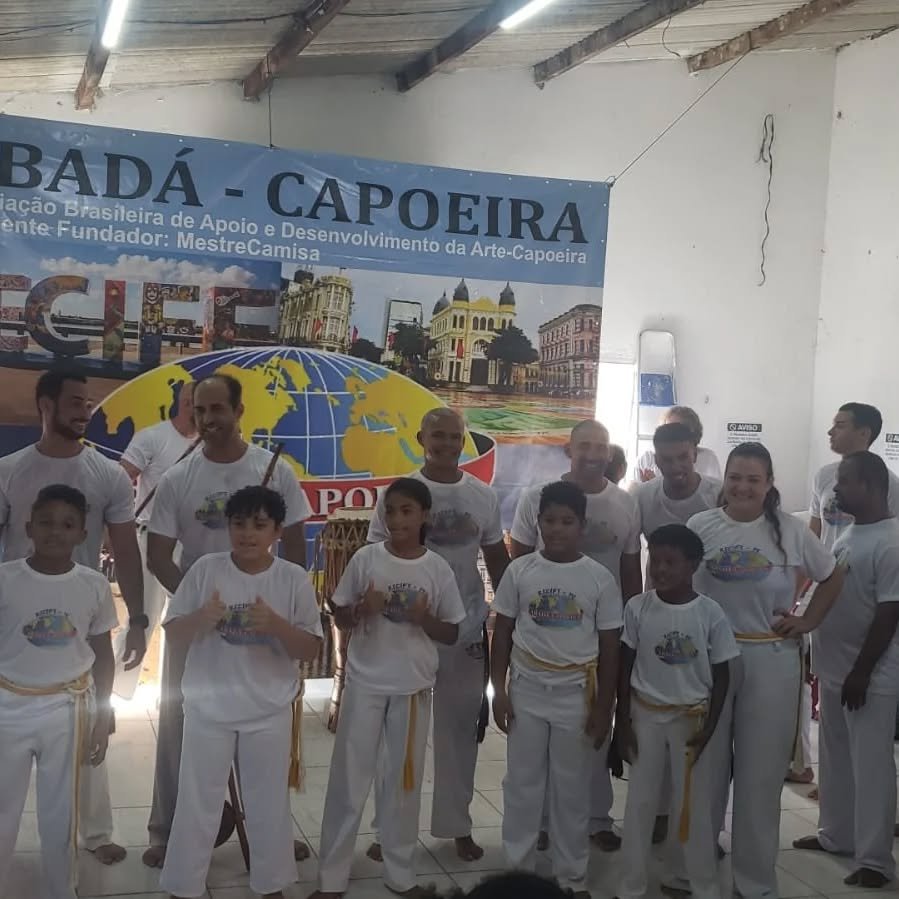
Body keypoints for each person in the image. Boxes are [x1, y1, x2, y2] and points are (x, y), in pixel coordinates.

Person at [143, 373, 313, 868]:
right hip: (200, 624)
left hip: (263, 624)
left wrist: (287, 614)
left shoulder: (272, 470)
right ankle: (168, 831)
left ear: (239, 412)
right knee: (179, 725)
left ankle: (270, 836)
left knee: (265, 735)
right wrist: (198, 610)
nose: (208, 419)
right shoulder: (178, 478)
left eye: (218, 409)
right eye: (200, 410)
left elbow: (296, 546)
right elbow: (158, 556)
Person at [0, 370, 146, 866]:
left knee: (88, 719)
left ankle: (96, 831)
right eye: (76, 402)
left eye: (88, 403)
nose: (86, 411)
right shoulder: (9, 471)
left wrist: (139, 619)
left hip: (82, 614)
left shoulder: (107, 475)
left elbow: (126, 551)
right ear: (45, 404)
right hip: (15, 620)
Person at [688, 442, 845, 899]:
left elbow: (832, 574)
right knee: (705, 772)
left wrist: (807, 620)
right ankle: (695, 875)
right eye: (735, 477)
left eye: (753, 479)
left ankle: (754, 883)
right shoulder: (701, 526)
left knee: (760, 778)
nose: (742, 487)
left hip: (770, 659)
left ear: (769, 483)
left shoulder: (791, 531)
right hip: (710, 662)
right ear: (725, 480)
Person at [159, 486, 323, 899]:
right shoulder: (206, 570)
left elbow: (310, 649)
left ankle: (271, 884)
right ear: (228, 527)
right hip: (208, 709)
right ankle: (183, 885)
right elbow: (173, 635)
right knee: (198, 801)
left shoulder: (292, 578)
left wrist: (276, 626)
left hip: (268, 710)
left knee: (267, 801)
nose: (248, 533)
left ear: (277, 531)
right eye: (239, 523)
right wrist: (202, 617)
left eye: (259, 524)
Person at [309, 477, 466, 899]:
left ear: (424, 515)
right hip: (365, 683)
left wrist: (423, 619)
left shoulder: (436, 567)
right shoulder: (367, 558)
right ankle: (331, 878)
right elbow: (339, 616)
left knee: (403, 783)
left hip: (412, 689)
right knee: (348, 779)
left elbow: (452, 632)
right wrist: (363, 608)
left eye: (407, 511)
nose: (397, 519)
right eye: (391, 510)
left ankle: (401, 875)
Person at [367, 408, 509, 862]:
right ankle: (387, 830)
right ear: (420, 438)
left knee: (459, 733)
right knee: (398, 735)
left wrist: (511, 614)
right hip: (405, 631)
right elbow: (375, 557)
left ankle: (457, 826)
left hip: (463, 629)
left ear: (463, 441)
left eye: (454, 437)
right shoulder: (400, 494)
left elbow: (496, 558)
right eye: (438, 436)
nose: (447, 444)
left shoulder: (482, 496)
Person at [510, 419, 640, 851]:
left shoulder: (624, 502)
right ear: (569, 450)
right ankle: (542, 824)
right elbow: (519, 562)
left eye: (601, 447)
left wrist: (633, 625)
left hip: (602, 632)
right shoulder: (536, 498)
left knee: (594, 728)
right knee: (539, 750)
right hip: (546, 632)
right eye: (584, 446)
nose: (593, 454)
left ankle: (597, 818)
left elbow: (630, 569)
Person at [493, 480, 621, 898]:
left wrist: (604, 707)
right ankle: (518, 870)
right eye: (549, 520)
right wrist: (499, 690)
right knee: (522, 783)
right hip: (527, 690)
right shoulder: (520, 571)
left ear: (582, 525)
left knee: (572, 787)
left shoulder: (598, 578)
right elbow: (503, 633)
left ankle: (572, 876)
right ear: (537, 523)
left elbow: (610, 648)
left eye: (567, 521)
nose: (557, 529)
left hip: (577, 694)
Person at [0, 485, 117, 899]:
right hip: (8, 706)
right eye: (46, 523)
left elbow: (103, 655)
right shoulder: (6, 579)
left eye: (67, 525)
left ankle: (60, 888)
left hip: (67, 710)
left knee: (60, 811)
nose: (55, 532)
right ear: (28, 527)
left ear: (83, 534)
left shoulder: (93, 584)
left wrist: (103, 714)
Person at [793, 452, 899, 888]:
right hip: (835, 669)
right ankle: (835, 834)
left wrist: (862, 671)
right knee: (834, 757)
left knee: (871, 765)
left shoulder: (891, 541)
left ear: (872, 485)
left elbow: (889, 614)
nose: (836, 489)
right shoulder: (850, 534)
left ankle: (875, 860)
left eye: (846, 481)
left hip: (869, 677)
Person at [616, 524, 738, 899]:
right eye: (655, 560)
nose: (660, 569)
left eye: (671, 562)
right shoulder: (638, 607)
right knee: (640, 802)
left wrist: (711, 727)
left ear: (693, 565)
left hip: (693, 719)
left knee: (694, 805)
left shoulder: (710, 613)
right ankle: (631, 885)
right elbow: (625, 666)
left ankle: (696, 882)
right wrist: (623, 723)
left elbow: (722, 674)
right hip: (646, 715)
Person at [116, 379, 196, 700]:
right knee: (142, 619)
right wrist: (116, 528)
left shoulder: (213, 445)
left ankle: (177, 696)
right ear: (182, 403)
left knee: (187, 619)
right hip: (151, 537)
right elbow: (120, 481)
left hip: (192, 542)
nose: (198, 410)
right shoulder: (152, 437)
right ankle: (113, 693)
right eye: (192, 403)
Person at [810, 403, 899, 551]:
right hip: (827, 564)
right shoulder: (823, 475)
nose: (830, 432)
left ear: (864, 433)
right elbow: (814, 532)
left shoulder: (889, 484)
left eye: (840, 426)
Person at [636, 407, 721, 483]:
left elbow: (714, 492)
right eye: (666, 429)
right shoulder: (647, 458)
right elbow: (633, 490)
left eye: (677, 431)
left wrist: (656, 485)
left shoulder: (708, 457)